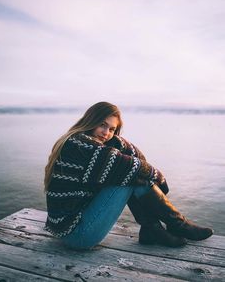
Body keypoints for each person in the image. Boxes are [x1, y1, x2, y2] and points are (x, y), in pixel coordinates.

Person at [44, 101, 213, 249]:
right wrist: (158, 177)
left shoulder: (78, 141)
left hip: (66, 229)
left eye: (112, 129)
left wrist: (117, 141)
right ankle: (175, 225)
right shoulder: (82, 146)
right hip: (78, 235)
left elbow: (132, 158)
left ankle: (153, 229)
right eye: (102, 125)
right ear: (91, 121)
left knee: (129, 173)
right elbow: (131, 165)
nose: (106, 133)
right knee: (130, 176)